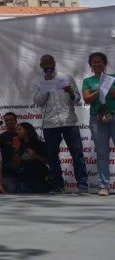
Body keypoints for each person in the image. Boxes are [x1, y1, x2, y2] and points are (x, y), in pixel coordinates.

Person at [33, 54, 88, 193]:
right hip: (50, 123)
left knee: (77, 153)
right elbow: (38, 102)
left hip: (69, 121)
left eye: (50, 63)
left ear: (54, 63)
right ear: (41, 65)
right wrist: (46, 85)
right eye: (45, 64)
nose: (48, 66)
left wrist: (71, 92)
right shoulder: (38, 81)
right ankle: (58, 185)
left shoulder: (66, 77)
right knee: (52, 155)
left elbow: (77, 99)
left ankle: (82, 184)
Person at [82, 52, 115, 196]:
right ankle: (103, 186)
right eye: (93, 62)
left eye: (99, 61)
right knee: (102, 153)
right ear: (90, 65)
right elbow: (87, 99)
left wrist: (108, 86)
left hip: (114, 116)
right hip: (97, 118)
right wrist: (99, 89)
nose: (96, 64)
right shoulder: (87, 81)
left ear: (104, 63)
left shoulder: (112, 78)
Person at [14, 122, 49, 193]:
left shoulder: (40, 144)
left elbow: (48, 161)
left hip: (39, 180)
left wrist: (36, 156)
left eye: (19, 129)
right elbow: (17, 163)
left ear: (27, 130)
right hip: (24, 180)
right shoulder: (18, 145)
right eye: (17, 130)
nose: (17, 132)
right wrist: (16, 151)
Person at [0, 112, 20, 193]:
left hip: (22, 172)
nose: (8, 122)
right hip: (8, 173)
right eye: (6, 120)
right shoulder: (3, 136)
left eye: (11, 120)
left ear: (15, 121)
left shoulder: (21, 134)